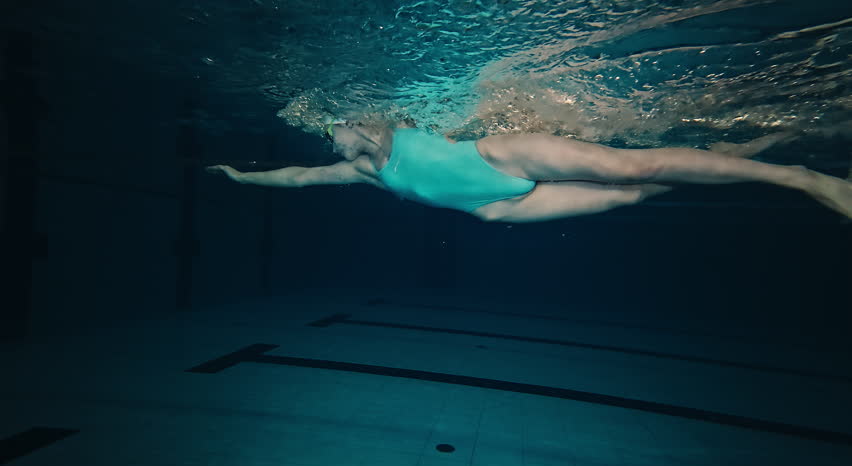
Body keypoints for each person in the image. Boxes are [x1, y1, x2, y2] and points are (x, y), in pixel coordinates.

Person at [206, 119, 852, 222]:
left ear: (359, 119)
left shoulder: (396, 121)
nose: (332, 143)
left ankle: (802, 178)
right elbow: (297, 177)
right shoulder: (361, 173)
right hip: (497, 208)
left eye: (335, 131)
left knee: (634, 164)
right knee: (630, 195)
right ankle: (760, 153)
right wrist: (241, 177)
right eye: (328, 137)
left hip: (497, 156)